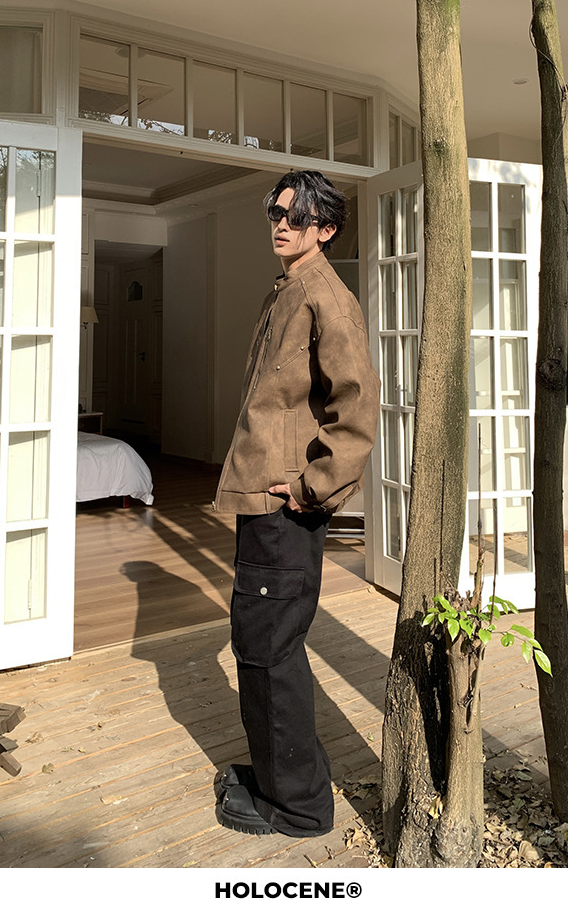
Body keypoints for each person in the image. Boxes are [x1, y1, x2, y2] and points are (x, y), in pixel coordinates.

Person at [213, 169, 380, 838]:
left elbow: (356, 410)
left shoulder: (326, 299)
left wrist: (312, 487)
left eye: (298, 216)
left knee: (270, 649)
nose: (281, 224)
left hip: (286, 508)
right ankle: (275, 776)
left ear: (326, 228)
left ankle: (299, 805)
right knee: (259, 644)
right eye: (276, 212)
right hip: (264, 501)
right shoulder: (287, 290)